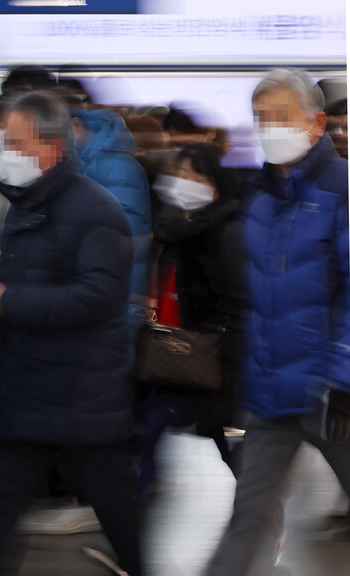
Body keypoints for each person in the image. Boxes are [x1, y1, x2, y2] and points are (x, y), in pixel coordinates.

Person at [0, 91, 142, 576]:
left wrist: (8, 301)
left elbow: (99, 296)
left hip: (83, 393)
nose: (6, 152)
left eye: (16, 142)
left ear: (52, 147)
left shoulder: (93, 208)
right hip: (29, 385)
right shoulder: (24, 202)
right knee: (0, 511)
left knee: (119, 516)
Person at [204, 68, 350, 576]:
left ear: (316, 123)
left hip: (333, 395)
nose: (269, 127)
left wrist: (344, 374)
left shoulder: (341, 189)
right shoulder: (259, 197)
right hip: (271, 390)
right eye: (260, 117)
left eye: (281, 116)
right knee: (249, 515)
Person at [141, 143, 249, 491]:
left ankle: (262, 513)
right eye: (179, 172)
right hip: (174, 345)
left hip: (212, 353)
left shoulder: (227, 232)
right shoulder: (174, 227)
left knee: (214, 433)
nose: (183, 181)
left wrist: (227, 349)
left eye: (195, 175)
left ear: (216, 183)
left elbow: (239, 299)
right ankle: (133, 505)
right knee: (162, 423)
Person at [70, 105, 152, 342]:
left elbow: (123, 242)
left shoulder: (117, 168)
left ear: (76, 125)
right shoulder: (84, 162)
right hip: (95, 293)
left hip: (113, 299)